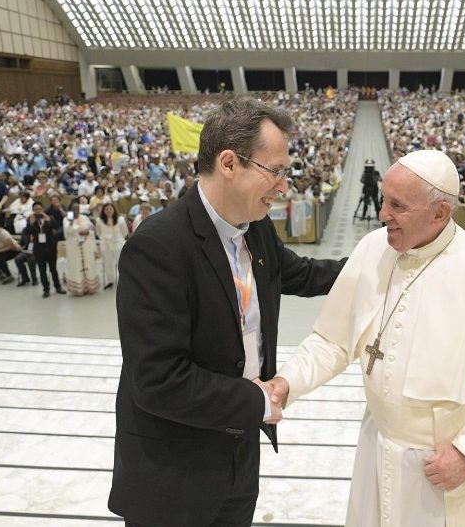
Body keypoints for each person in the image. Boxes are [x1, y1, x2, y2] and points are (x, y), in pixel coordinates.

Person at [267, 150, 465, 527]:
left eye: (398, 205)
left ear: (440, 213)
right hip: (378, 448)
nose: (383, 214)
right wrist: (287, 383)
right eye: (384, 199)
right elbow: (332, 341)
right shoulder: (371, 249)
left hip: (446, 468)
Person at [108, 98, 345, 526]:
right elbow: (159, 381)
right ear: (230, 163)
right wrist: (256, 400)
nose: (282, 186)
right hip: (174, 473)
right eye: (274, 171)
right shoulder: (159, 246)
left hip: (237, 459)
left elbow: (302, 275)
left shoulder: (256, 228)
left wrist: (377, 266)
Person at [25, 201, 65, 298]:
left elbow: (58, 228)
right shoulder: (30, 219)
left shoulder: (49, 218)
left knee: (53, 269)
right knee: (42, 270)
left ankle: (58, 287)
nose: (38, 211)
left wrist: (49, 221)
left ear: (43, 209)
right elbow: (27, 233)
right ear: (33, 210)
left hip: (50, 247)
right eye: (35, 210)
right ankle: (46, 289)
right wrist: (30, 223)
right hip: (39, 249)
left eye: (39, 209)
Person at [63, 202, 100, 296]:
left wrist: (87, 232)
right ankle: (79, 289)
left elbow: (91, 228)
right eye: (74, 209)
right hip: (74, 247)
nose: (76, 210)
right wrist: (73, 225)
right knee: (76, 266)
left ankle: (90, 287)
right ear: (70, 209)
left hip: (86, 245)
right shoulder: (66, 219)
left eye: (77, 208)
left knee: (88, 265)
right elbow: (67, 232)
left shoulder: (84, 217)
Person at [96, 203, 128, 289]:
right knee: (108, 263)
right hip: (105, 245)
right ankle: (110, 280)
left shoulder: (120, 219)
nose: (109, 211)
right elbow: (98, 233)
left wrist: (118, 239)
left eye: (110, 209)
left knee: (120, 262)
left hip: (118, 243)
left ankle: (122, 280)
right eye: (106, 209)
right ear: (103, 211)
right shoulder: (99, 220)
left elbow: (124, 232)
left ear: (114, 209)